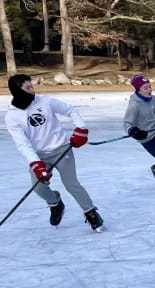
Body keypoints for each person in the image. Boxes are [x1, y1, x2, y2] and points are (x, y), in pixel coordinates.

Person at [4, 74, 104, 231]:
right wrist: (36, 164)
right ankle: (55, 204)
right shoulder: (12, 116)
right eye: (28, 87)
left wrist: (81, 129)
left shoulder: (45, 101)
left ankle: (90, 211)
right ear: (17, 90)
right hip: (40, 156)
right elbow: (22, 144)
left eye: (32, 86)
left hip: (62, 150)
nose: (32, 90)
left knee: (71, 184)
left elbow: (70, 110)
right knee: (38, 187)